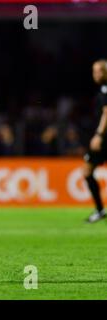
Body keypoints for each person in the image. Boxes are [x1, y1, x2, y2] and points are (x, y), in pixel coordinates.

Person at [83, 59, 107, 223]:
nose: (95, 74)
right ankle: (99, 210)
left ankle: (99, 210)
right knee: (87, 172)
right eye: (93, 71)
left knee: (87, 171)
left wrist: (99, 134)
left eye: (98, 71)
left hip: (104, 138)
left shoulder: (105, 89)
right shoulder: (102, 89)